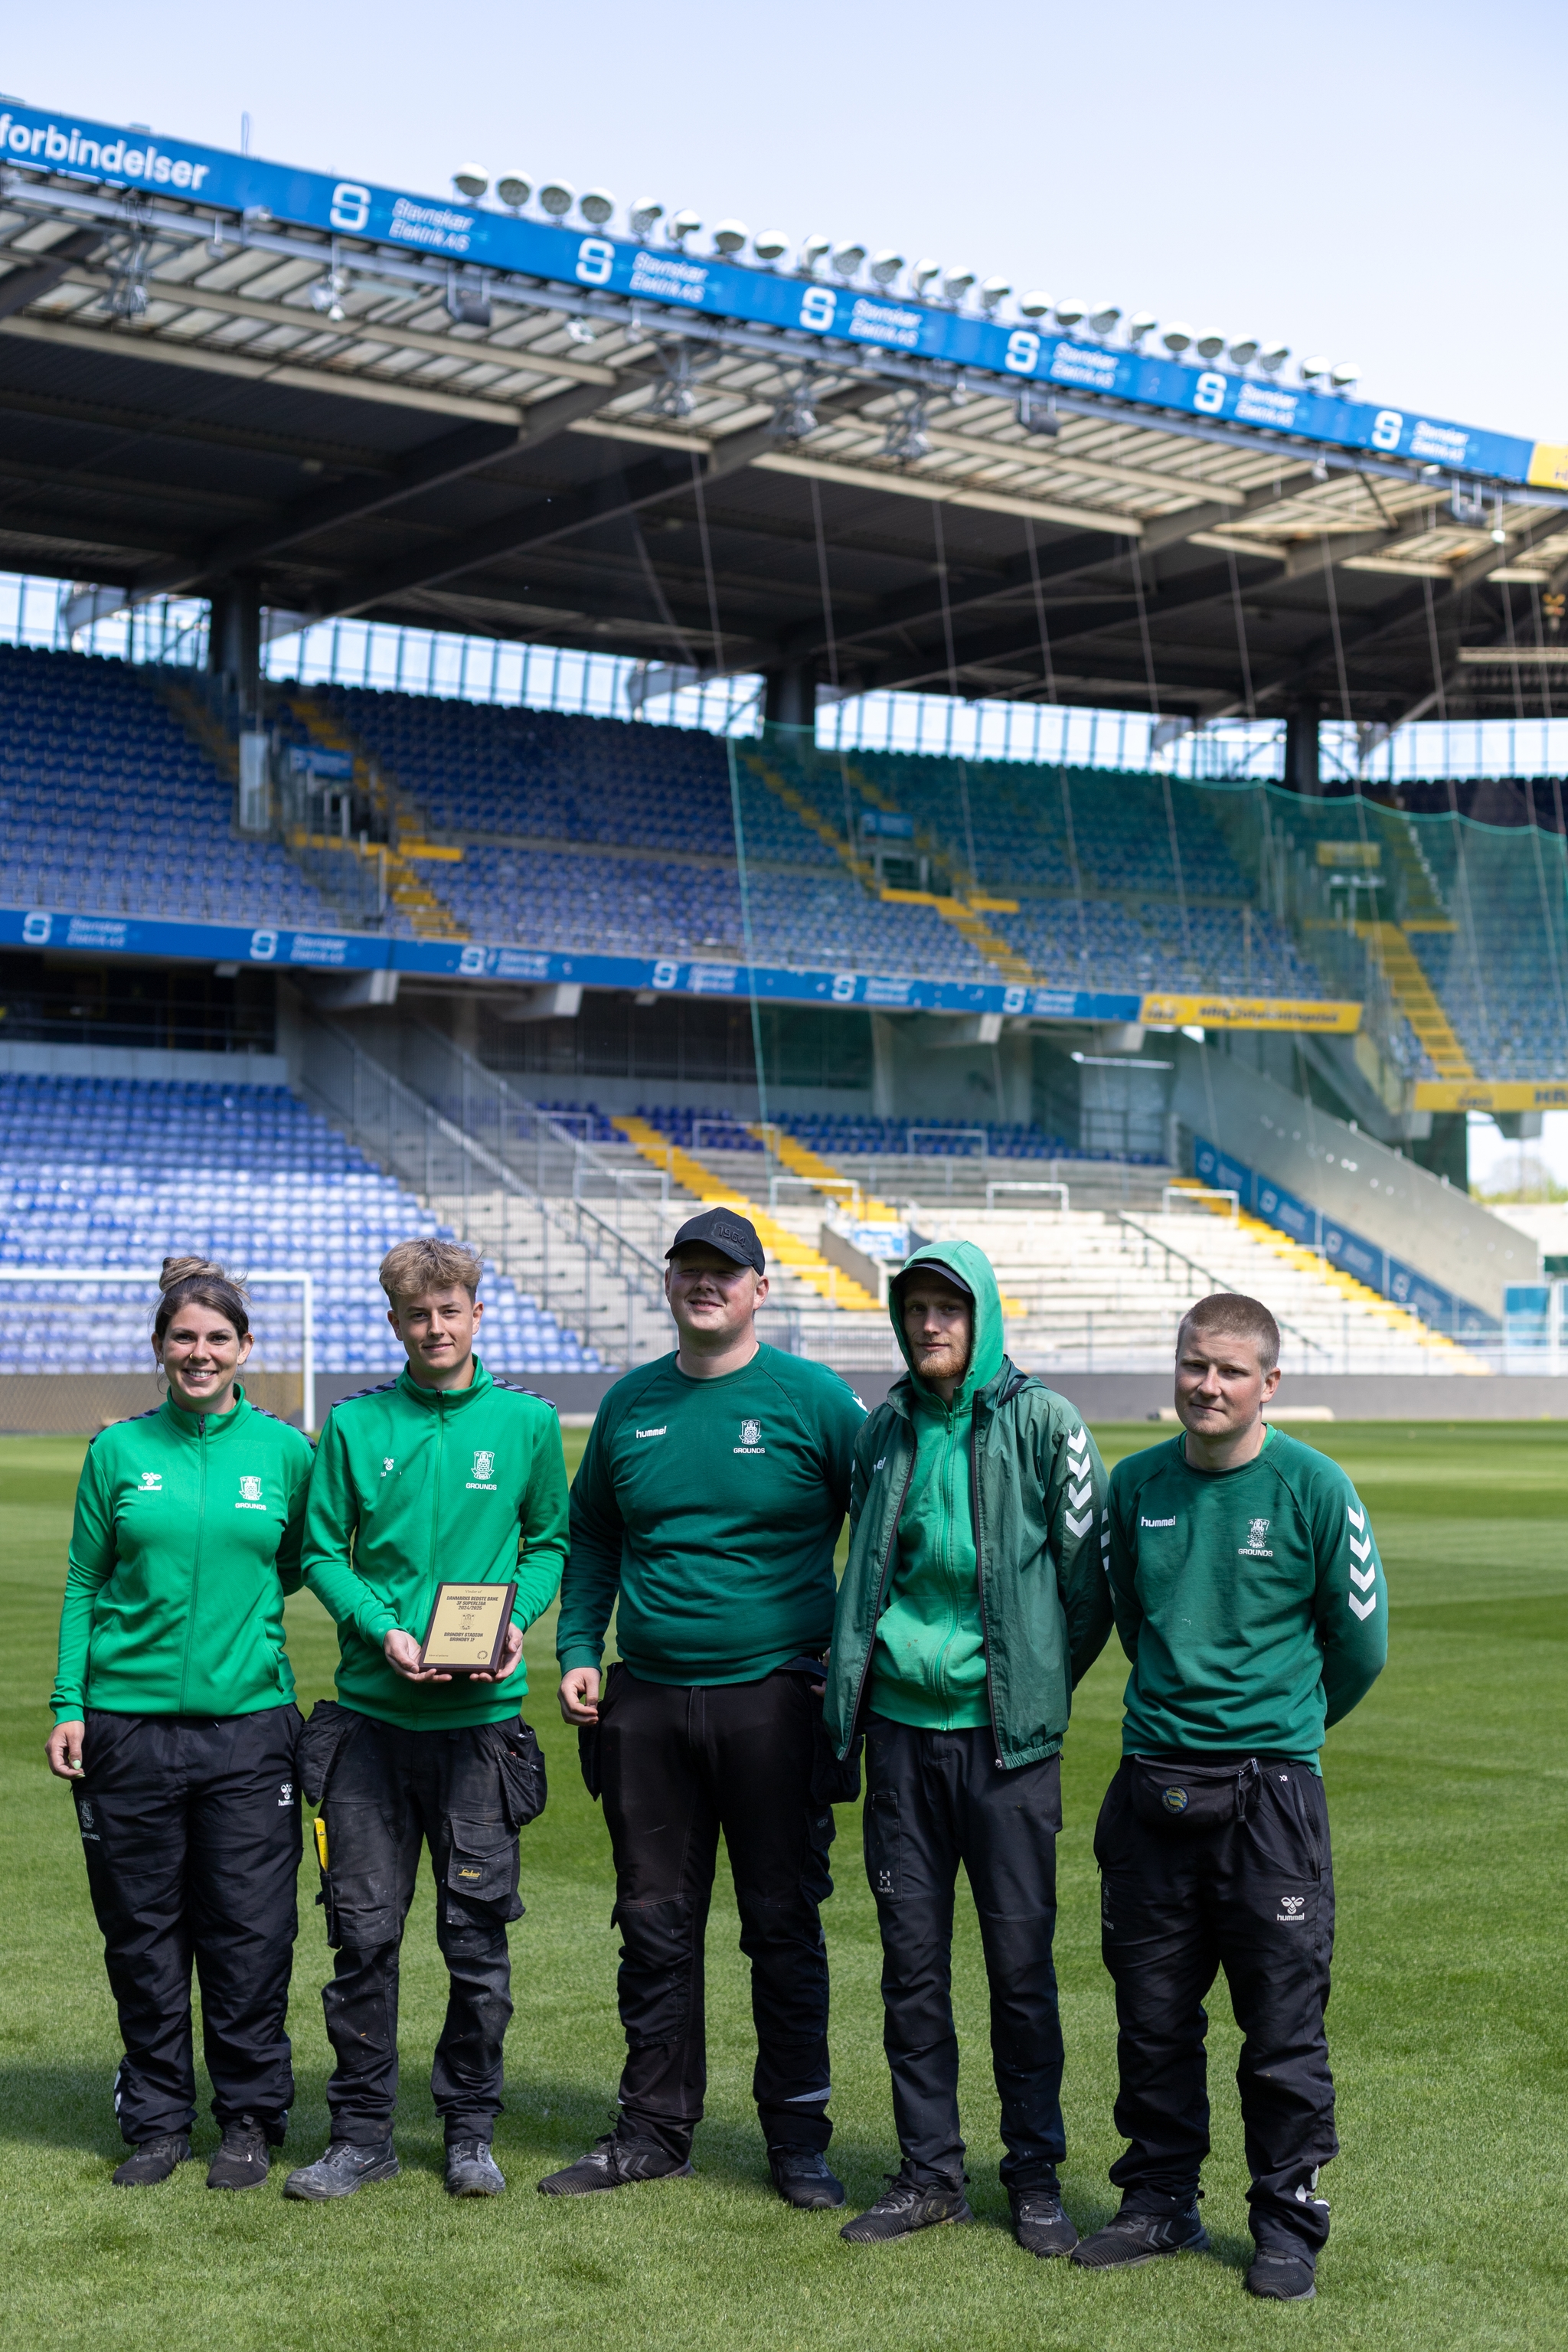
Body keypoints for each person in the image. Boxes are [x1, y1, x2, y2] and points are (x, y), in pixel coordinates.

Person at [541, 1207, 864, 2210]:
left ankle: (797, 2141)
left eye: (725, 1271)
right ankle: (652, 2132)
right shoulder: (629, 1403)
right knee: (653, 1926)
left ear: (760, 1289)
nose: (704, 1283)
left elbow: (884, 1528)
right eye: (688, 1267)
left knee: (781, 1925)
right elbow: (593, 1534)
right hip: (645, 1703)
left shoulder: (815, 1400)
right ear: (667, 1283)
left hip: (775, 1698)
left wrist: (848, 1659)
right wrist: (577, 1647)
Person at [1072, 1293, 1387, 2303]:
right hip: (1152, 1786)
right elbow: (1130, 1620)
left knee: (1282, 2026)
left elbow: (1360, 1643)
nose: (1207, 1386)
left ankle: (1286, 2222)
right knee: (1152, 2019)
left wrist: (1281, 1729)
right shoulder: (1135, 1487)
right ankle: (1157, 2202)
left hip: (1270, 1800)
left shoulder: (1313, 1486)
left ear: (1269, 1383)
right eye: (1193, 1364)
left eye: (1230, 1371)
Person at [825, 1241, 1112, 2252]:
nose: (930, 1325)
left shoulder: (1047, 1425)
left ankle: (1033, 2178)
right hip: (902, 1740)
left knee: (1020, 1971)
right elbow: (869, 1569)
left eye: (948, 1309)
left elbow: (1086, 1588)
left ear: (981, 1316)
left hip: (1007, 1749)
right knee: (911, 1970)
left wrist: (1029, 1682)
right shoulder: (883, 1430)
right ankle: (928, 2175)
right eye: (915, 1309)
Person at [282, 1236, 568, 2203]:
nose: (435, 1328)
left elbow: (549, 1542)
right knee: (361, 1940)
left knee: (475, 1943)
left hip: (481, 1727)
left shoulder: (527, 1423)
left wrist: (518, 1621)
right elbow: (322, 1553)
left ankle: (469, 2133)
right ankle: (361, 2136)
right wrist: (384, 1629)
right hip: (370, 1722)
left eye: (450, 1311)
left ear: (477, 1314)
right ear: (395, 1322)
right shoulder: (354, 1425)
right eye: (417, 1314)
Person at [47, 1257, 315, 2190]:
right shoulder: (118, 1451)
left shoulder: (285, 1453)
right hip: (125, 1730)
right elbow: (84, 1580)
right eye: (184, 1338)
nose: (200, 1353)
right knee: (142, 1932)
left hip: (251, 1733)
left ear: (245, 1348)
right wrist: (70, 1703)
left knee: (250, 1935)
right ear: (161, 1347)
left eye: (217, 1338)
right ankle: (157, 2121)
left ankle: (248, 2118)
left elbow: (293, 1561)